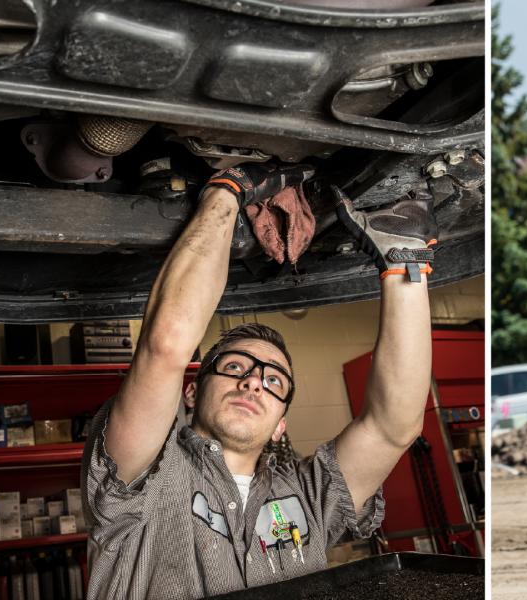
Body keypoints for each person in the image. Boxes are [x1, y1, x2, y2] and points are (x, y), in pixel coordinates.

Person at [82, 163, 438, 599]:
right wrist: (230, 189)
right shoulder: (146, 473)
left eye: (274, 381)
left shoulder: (309, 495)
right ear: (191, 392)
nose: (253, 383)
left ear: (280, 424)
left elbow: (393, 427)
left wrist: (406, 263)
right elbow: (165, 349)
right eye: (235, 368)